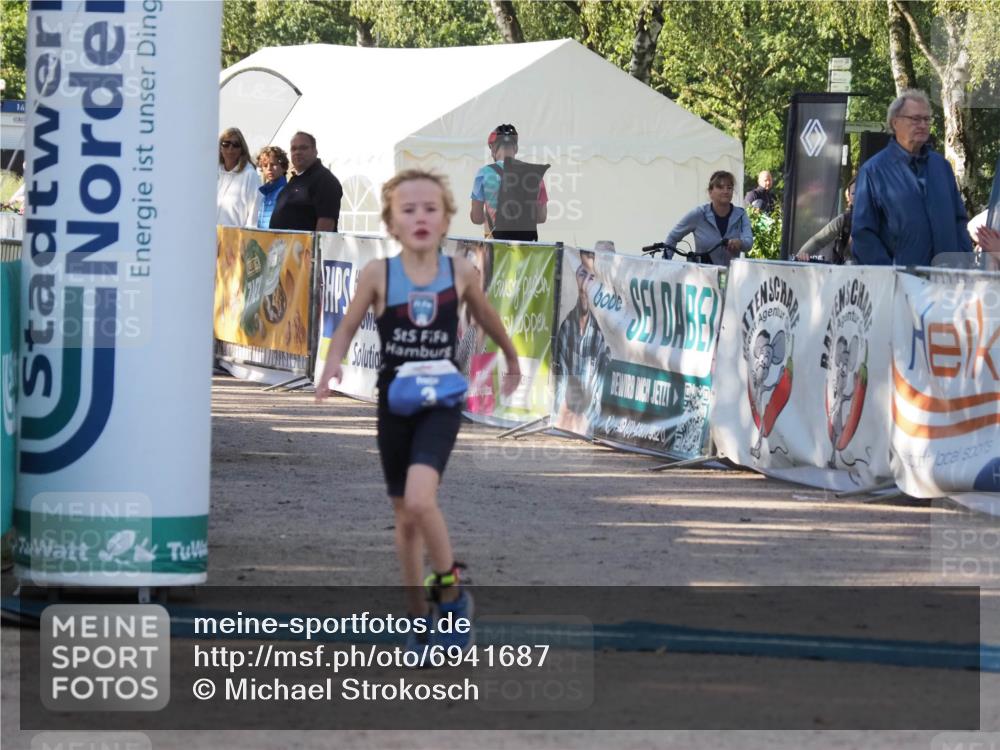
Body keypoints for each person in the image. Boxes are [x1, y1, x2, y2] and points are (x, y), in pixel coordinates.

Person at [315, 169, 521, 656]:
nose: (420, 217)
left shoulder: (460, 272)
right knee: (405, 518)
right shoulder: (378, 274)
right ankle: (417, 619)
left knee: (420, 500)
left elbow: (487, 317)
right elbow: (346, 326)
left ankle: (452, 596)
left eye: (431, 208)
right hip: (395, 403)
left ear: (447, 219)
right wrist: (332, 364)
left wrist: (511, 359)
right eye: (408, 210)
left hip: (441, 402)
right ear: (391, 222)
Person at [852, 89, 972, 265]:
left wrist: (963, 262)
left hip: (947, 276)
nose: (923, 125)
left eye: (926, 119)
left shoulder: (942, 167)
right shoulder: (873, 171)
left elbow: (959, 220)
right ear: (895, 123)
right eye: (915, 119)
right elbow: (863, 234)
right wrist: (890, 273)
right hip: (901, 277)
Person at [553, 250, 611, 436]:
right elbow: (560, 381)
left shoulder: (602, 334)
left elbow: (600, 392)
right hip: (566, 420)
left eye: (592, 277)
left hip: (588, 424)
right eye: (582, 274)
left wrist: (587, 422)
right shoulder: (566, 327)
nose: (585, 283)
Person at [470, 124, 548, 242]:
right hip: (527, 246)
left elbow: (476, 218)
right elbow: (541, 217)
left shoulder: (483, 174)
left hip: (497, 246)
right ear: (516, 148)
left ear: (493, 148)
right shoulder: (534, 174)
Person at [664, 170, 754, 266]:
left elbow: (749, 242)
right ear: (710, 192)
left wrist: (740, 243)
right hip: (702, 273)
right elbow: (673, 237)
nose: (726, 191)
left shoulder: (741, 214)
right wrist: (665, 264)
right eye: (720, 187)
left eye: (729, 187)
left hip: (731, 274)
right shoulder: (698, 214)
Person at [269, 131, 343, 232]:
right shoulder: (295, 180)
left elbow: (325, 229)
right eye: (294, 149)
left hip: (305, 243)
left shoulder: (325, 181)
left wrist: (317, 242)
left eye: (303, 148)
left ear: (315, 151)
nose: (297, 152)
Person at [795, 178, 856, 263]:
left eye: (862, 192)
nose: (858, 196)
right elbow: (818, 240)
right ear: (848, 196)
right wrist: (801, 254)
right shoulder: (844, 220)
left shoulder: (875, 218)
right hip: (848, 268)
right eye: (853, 193)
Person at [216, 127, 261, 227]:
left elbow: (254, 214)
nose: (230, 148)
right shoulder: (213, 173)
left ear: (242, 149)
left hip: (236, 236)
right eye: (226, 144)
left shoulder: (250, 175)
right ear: (220, 147)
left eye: (236, 145)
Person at [248, 146, 289, 230]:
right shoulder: (264, 193)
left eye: (273, 164)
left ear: (283, 167)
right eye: (265, 165)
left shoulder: (286, 192)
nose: (269, 168)